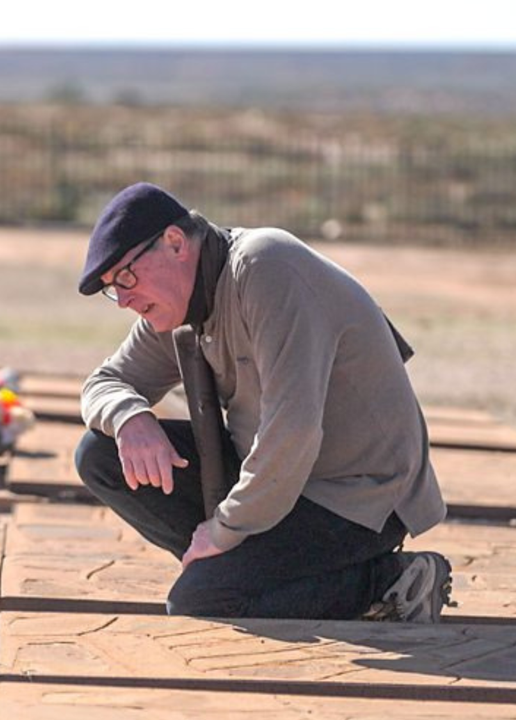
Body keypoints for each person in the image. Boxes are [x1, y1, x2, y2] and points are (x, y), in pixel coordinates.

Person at [74, 182, 452, 621]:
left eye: (126, 277)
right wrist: (129, 417)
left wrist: (224, 531)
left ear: (175, 243)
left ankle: (387, 581)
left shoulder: (266, 267)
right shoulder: (176, 304)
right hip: (279, 481)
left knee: (203, 602)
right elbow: (104, 382)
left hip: (359, 494)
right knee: (100, 453)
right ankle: (239, 570)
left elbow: (292, 433)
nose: (122, 299)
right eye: (111, 289)